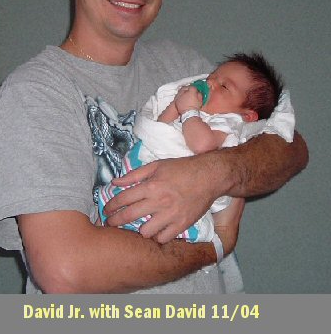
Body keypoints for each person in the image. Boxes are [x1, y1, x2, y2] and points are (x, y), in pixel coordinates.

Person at [0, 0, 308, 294]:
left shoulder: (183, 66)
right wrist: (215, 245)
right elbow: (65, 271)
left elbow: (291, 147)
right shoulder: (36, 92)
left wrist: (212, 173)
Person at [96, 52, 294, 251]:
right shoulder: (195, 111)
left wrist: (189, 111)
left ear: (247, 115)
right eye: (212, 77)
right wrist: (177, 105)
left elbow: (203, 145)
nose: (210, 84)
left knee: (130, 230)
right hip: (144, 172)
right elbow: (159, 129)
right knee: (106, 217)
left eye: (224, 87)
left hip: (168, 198)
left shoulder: (228, 123)